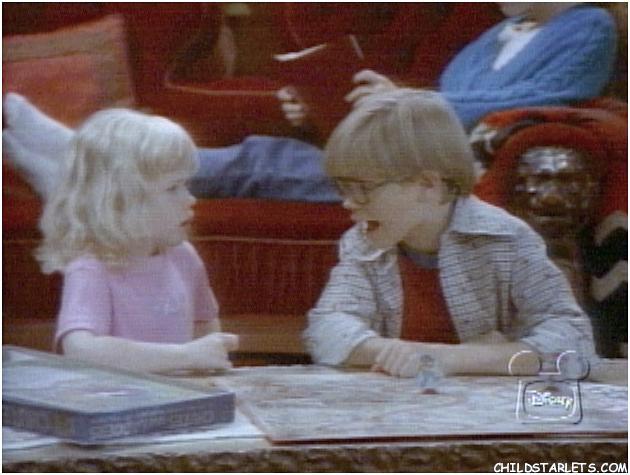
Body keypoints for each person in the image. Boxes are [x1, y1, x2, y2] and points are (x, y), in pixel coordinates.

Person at [2, 3, 617, 202]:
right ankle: (86, 163)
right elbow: (445, 102)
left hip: (444, 176)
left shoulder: (588, 24)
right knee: (266, 150)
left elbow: (547, 98)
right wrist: (329, 113)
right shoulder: (496, 34)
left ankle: (85, 166)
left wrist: (406, 102)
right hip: (406, 154)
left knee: (258, 160)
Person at [303, 88, 597, 378]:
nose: (348, 203)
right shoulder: (362, 243)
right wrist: (402, 353)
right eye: (342, 188)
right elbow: (325, 329)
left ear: (427, 185)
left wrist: (454, 358)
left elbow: (576, 342)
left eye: (362, 189)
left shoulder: (506, 239)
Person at [34, 108, 238, 374]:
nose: (190, 199)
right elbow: (80, 350)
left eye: (186, 185)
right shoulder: (92, 267)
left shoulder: (183, 256)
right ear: (121, 202)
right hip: (111, 399)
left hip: (177, 395)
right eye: (172, 188)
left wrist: (211, 362)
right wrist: (185, 356)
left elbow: (204, 325)